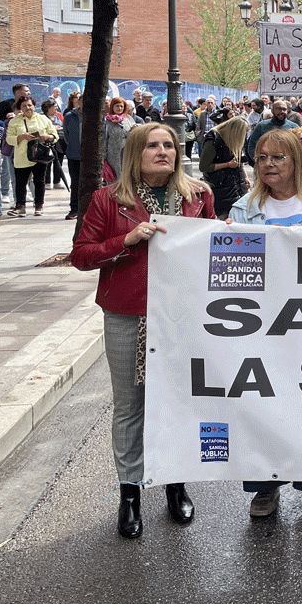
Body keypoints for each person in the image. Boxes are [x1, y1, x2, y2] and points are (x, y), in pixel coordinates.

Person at [71, 123, 214, 538]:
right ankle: (130, 493)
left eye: (169, 144)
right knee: (131, 407)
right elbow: (81, 256)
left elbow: (216, 243)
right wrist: (126, 240)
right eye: (153, 145)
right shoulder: (108, 199)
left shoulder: (197, 196)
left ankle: (175, 484)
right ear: (136, 152)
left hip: (182, 318)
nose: (163, 151)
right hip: (127, 315)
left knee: (176, 401)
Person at [228, 128, 302, 516]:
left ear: (296, 161)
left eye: (277, 157)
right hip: (263, 325)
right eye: (261, 157)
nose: (267, 164)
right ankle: (265, 483)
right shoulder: (242, 210)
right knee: (264, 401)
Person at [5, 95, 57, 217]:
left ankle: (39, 205)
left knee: (39, 181)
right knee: (20, 182)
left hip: (39, 155)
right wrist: (21, 137)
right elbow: (9, 139)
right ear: (20, 108)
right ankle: (20, 207)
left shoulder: (43, 119)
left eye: (30, 105)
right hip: (22, 156)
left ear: (34, 106)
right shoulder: (15, 121)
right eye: (24, 106)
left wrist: (47, 137)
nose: (28, 108)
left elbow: (54, 135)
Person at [199, 116, 251, 219]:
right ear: (235, 131)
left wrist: (245, 177)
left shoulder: (233, 139)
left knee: (238, 216)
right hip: (220, 187)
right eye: (242, 134)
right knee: (225, 219)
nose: (243, 136)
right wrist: (227, 164)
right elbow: (204, 166)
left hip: (236, 184)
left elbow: (238, 159)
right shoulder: (213, 139)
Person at [104, 97, 136, 183]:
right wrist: (104, 156)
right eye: (117, 106)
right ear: (112, 107)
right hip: (113, 156)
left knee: (127, 179)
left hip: (127, 153)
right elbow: (104, 139)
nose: (119, 108)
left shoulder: (128, 119)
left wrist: (133, 131)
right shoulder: (107, 121)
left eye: (121, 106)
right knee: (114, 181)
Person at [63, 91, 82, 219]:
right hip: (74, 155)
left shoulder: (96, 116)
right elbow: (66, 135)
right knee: (75, 182)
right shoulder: (70, 116)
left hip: (91, 157)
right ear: (79, 102)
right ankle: (74, 209)